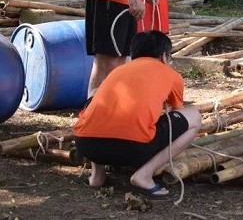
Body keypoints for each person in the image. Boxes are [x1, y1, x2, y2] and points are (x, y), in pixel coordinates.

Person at [73, 31, 201, 196]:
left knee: (95, 101)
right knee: (194, 117)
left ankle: (97, 175)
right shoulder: (172, 75)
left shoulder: (117, 71)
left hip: (86, 145)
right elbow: (177, 112)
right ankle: (144, 175)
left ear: (133, 55)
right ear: (164, 56)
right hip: (134, 149)